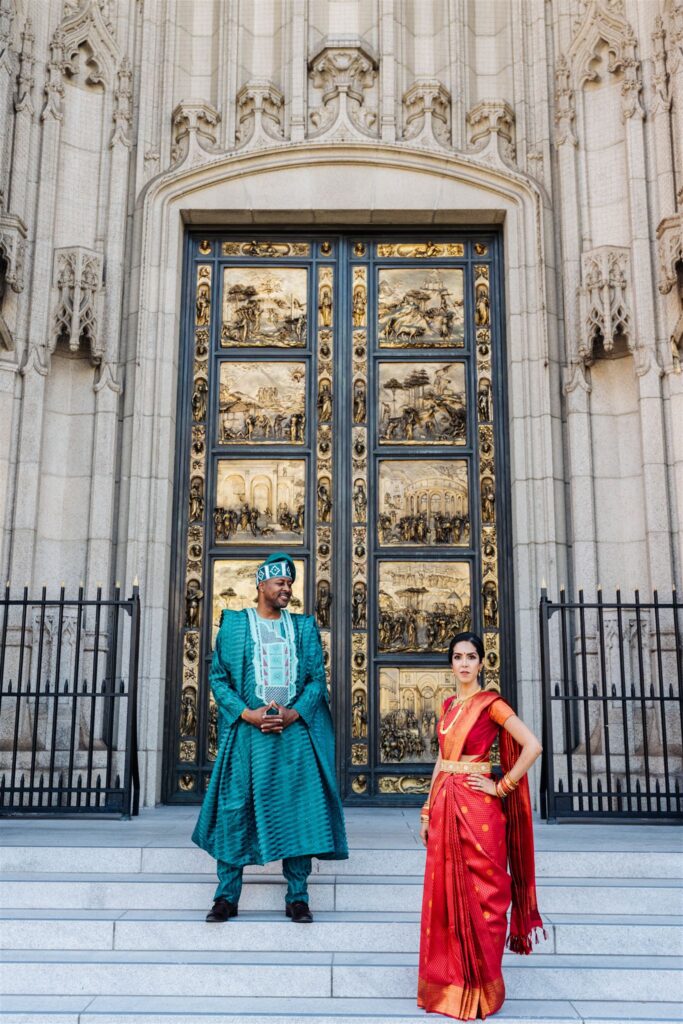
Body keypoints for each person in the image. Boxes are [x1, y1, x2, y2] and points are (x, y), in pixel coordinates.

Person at [192, 552, 348, 924]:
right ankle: (226, 897)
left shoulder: (304, 628)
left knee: (299, 813)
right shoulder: (233, 625)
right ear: (261, 585)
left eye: (290, 584)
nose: (287, 590)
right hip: (247, 736)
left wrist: (294, 713)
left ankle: (298, 897)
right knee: (234, 812)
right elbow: (218, 679)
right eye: (281, 583)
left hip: (293, 737)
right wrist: (247, 713)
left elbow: (315, 679)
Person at [418, 631, 544, 1020]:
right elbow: (442, 760)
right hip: (445, 805)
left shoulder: (491, 705)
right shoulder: (449, 705)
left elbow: (533, 745)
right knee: (446, 898)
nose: (464, 664)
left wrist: (502, 785)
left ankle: (482, 992)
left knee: (484, 897)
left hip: (479, 810)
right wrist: (426, 809)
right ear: (451, 663)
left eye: (472, 657)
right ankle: (451, 987)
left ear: (482, 663)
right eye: (458, 657)